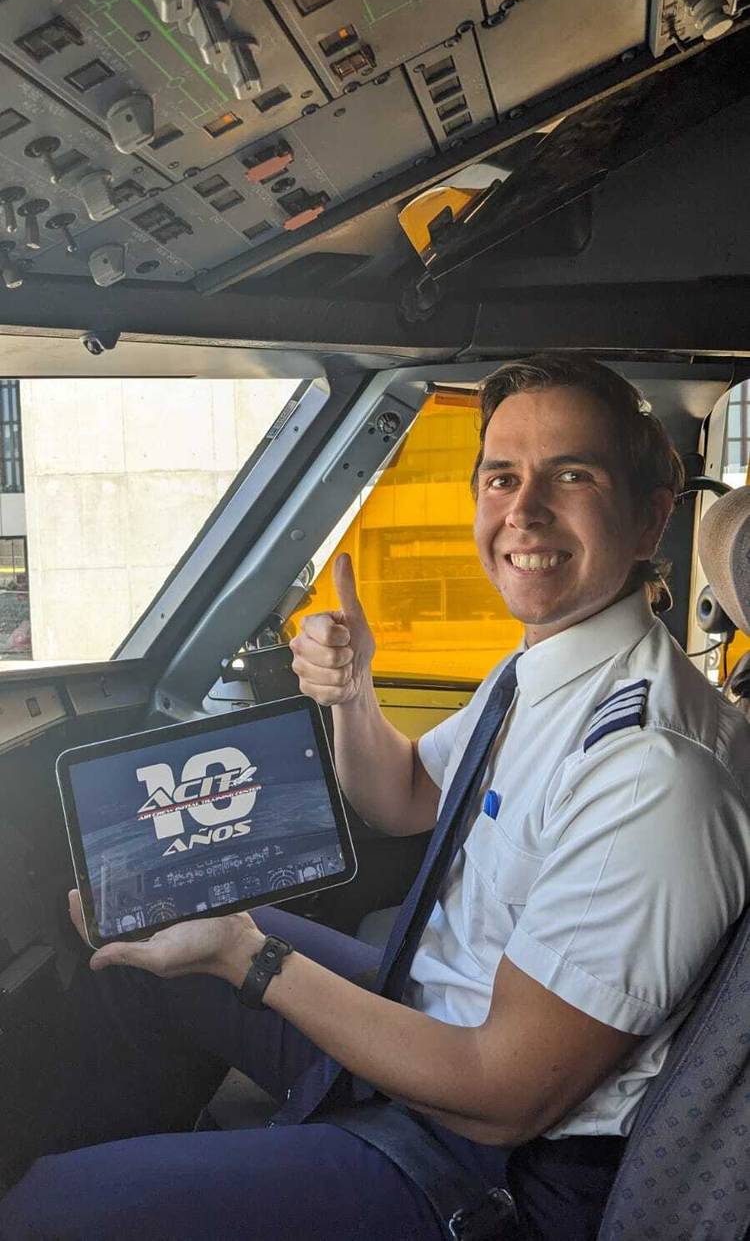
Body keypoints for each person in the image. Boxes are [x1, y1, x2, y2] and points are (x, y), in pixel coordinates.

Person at [1, 354, 748, 1241]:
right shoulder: (546, 669)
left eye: (572, 475)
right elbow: (405, 795)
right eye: (502, 477)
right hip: (428, 1023)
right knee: (149, 937)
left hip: (490, 1164)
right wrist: (353, 693)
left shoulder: (653, 769)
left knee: (47, 1208)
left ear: (652, 517)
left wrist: (249, 958)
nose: (525, 510)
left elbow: (501, 1093)